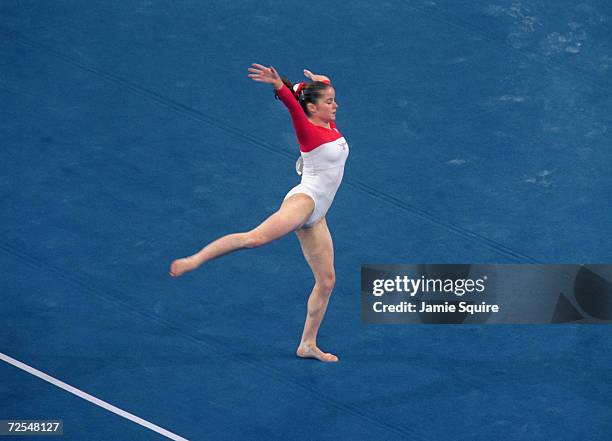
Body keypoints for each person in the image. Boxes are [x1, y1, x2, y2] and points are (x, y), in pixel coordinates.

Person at [169, 64, 349, 362]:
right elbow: (294, 105)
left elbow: (308, 92)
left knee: (327, 281)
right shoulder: (309, 130)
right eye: (329, 102)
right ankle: (194, 260)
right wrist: (279, 84)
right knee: (255, 239)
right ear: (314, 108)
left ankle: (307, 344)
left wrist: (322, 82)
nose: (335, 106)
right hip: (305, 201)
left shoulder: (326, 119)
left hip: (319, 212)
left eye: (333, 100)